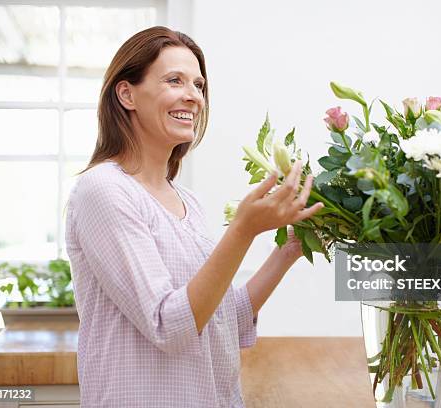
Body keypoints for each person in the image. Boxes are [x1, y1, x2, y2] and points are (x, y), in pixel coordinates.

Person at [64, 26, 323, 407]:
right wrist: (243, 230)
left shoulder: (186, 201)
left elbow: (220, 320)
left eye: (199, 85)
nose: (194, 96)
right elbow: (169, 326)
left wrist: (289, 249)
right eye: (175, 80)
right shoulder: (103, 191)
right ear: (127, 94)